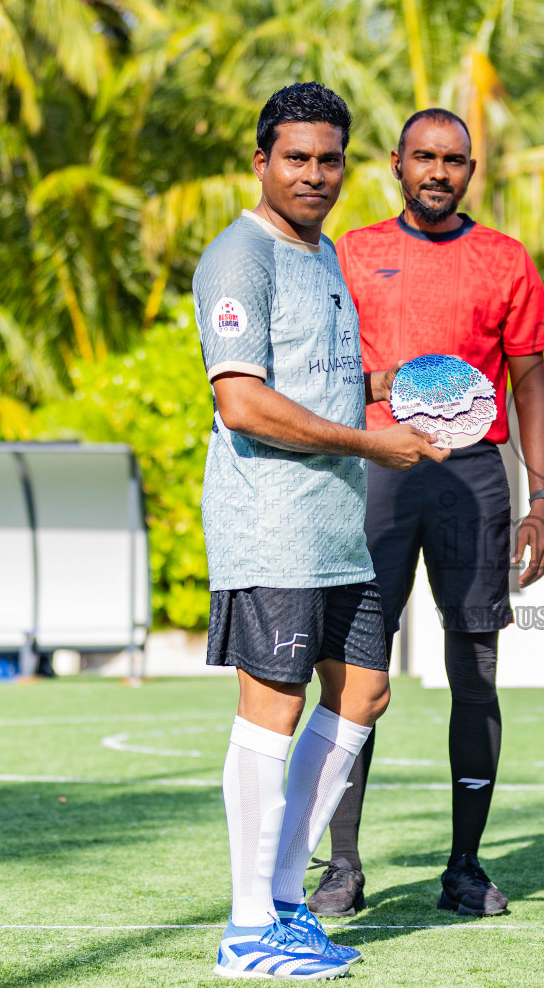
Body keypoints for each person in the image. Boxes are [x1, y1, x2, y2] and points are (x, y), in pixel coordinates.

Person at [194, 82, 448, 980]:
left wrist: (398, 400)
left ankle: (287, 901)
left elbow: (325, 376)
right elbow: (246, 401)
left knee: (366, 692)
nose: (314, 174)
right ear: (260, 160)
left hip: (336, 527)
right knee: (274, 705)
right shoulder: (239, 258)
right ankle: (245, 926)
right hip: (272, 523)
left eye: (329, 158)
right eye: (295, 157)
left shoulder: (324, 252)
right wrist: (371, 442)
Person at [308, 108, 544, 920]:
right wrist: (371, 391)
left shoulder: (505, 259)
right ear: (396, 164)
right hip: (374, 470)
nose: (439, 173)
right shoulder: (354, 253)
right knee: (353, 671)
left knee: (474, 673)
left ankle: (465, 865)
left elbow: (527, 387)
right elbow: (319, 364)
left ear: (471, 169)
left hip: (473, 476)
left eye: (454, 160)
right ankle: (341, 864)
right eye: (424, 158)